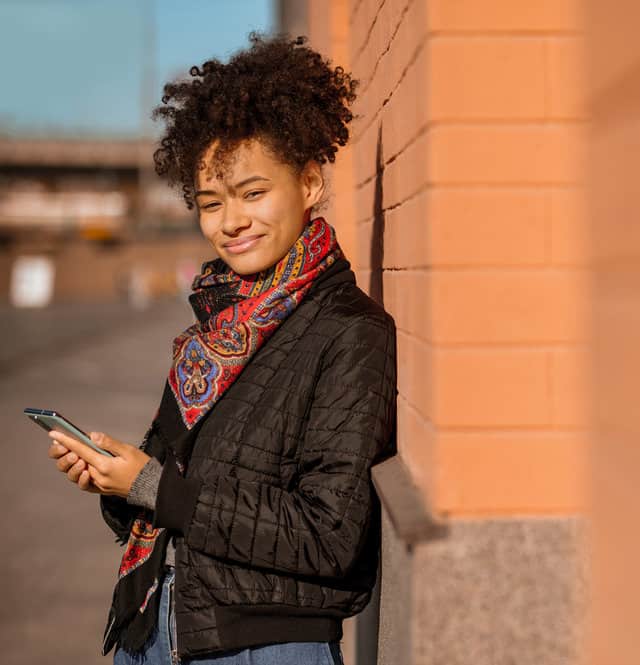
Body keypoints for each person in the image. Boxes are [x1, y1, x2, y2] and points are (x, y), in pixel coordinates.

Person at [45, 33, 396, 665]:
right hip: (151, 628)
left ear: (310, 183)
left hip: (264, 648)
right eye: (211, 203)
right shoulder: (216, 327)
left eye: (252, 193)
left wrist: (154, 485)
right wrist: (115, 483)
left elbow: (330, 534)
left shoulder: (349, 330)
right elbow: (165, 493)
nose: (230, 221)